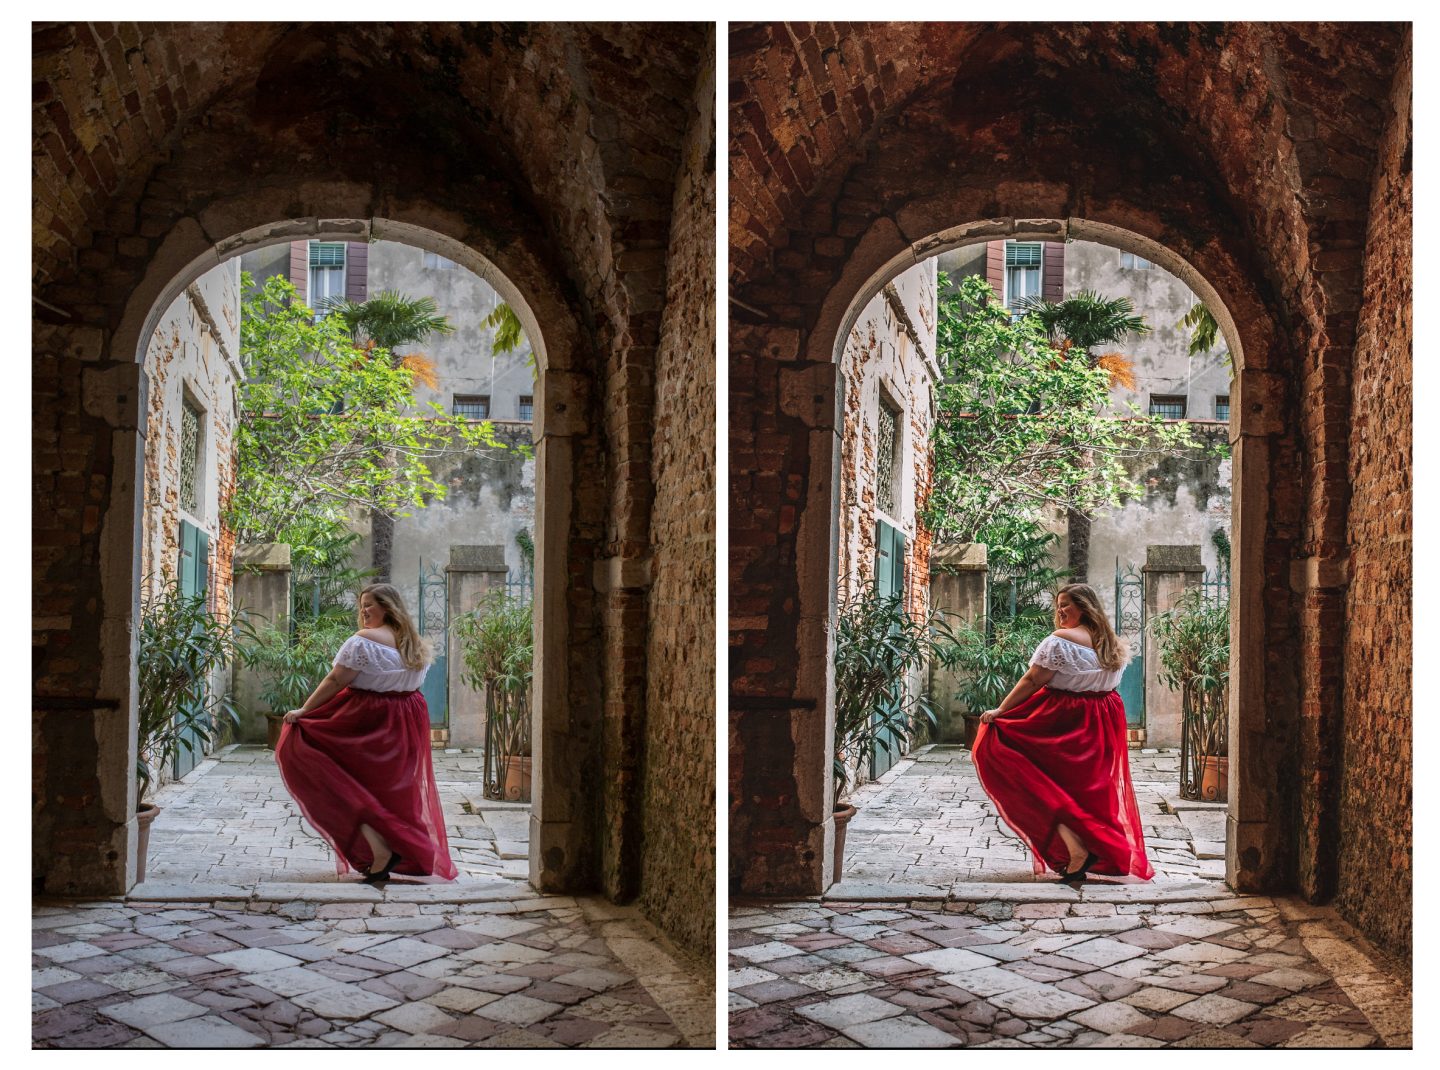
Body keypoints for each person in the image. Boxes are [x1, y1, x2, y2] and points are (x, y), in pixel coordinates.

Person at [971, 583, 1154, 884]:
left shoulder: (1061, 640)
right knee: (1087, 795)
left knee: (1036, 783)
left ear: (1084, 607)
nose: (1060, 610)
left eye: (1066, 604)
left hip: (1064, 722)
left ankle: (1076, 850)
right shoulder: (1112, 643)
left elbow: (1032, 680)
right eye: (1058, 604)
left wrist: (1000, 712)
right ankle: (1085, 849)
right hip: (1102, 723)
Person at [274, 583, 458, 883]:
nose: (363, 611)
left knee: (338, 783)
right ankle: (390, 850)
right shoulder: (415, 644)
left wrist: (304, 711)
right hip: (404, 725)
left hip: (366, 723)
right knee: (391, 795)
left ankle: (379, 849)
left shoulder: (364, 641)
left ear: (387, 607)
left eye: (369, 604)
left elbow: (335, 680)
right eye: (361, 605)